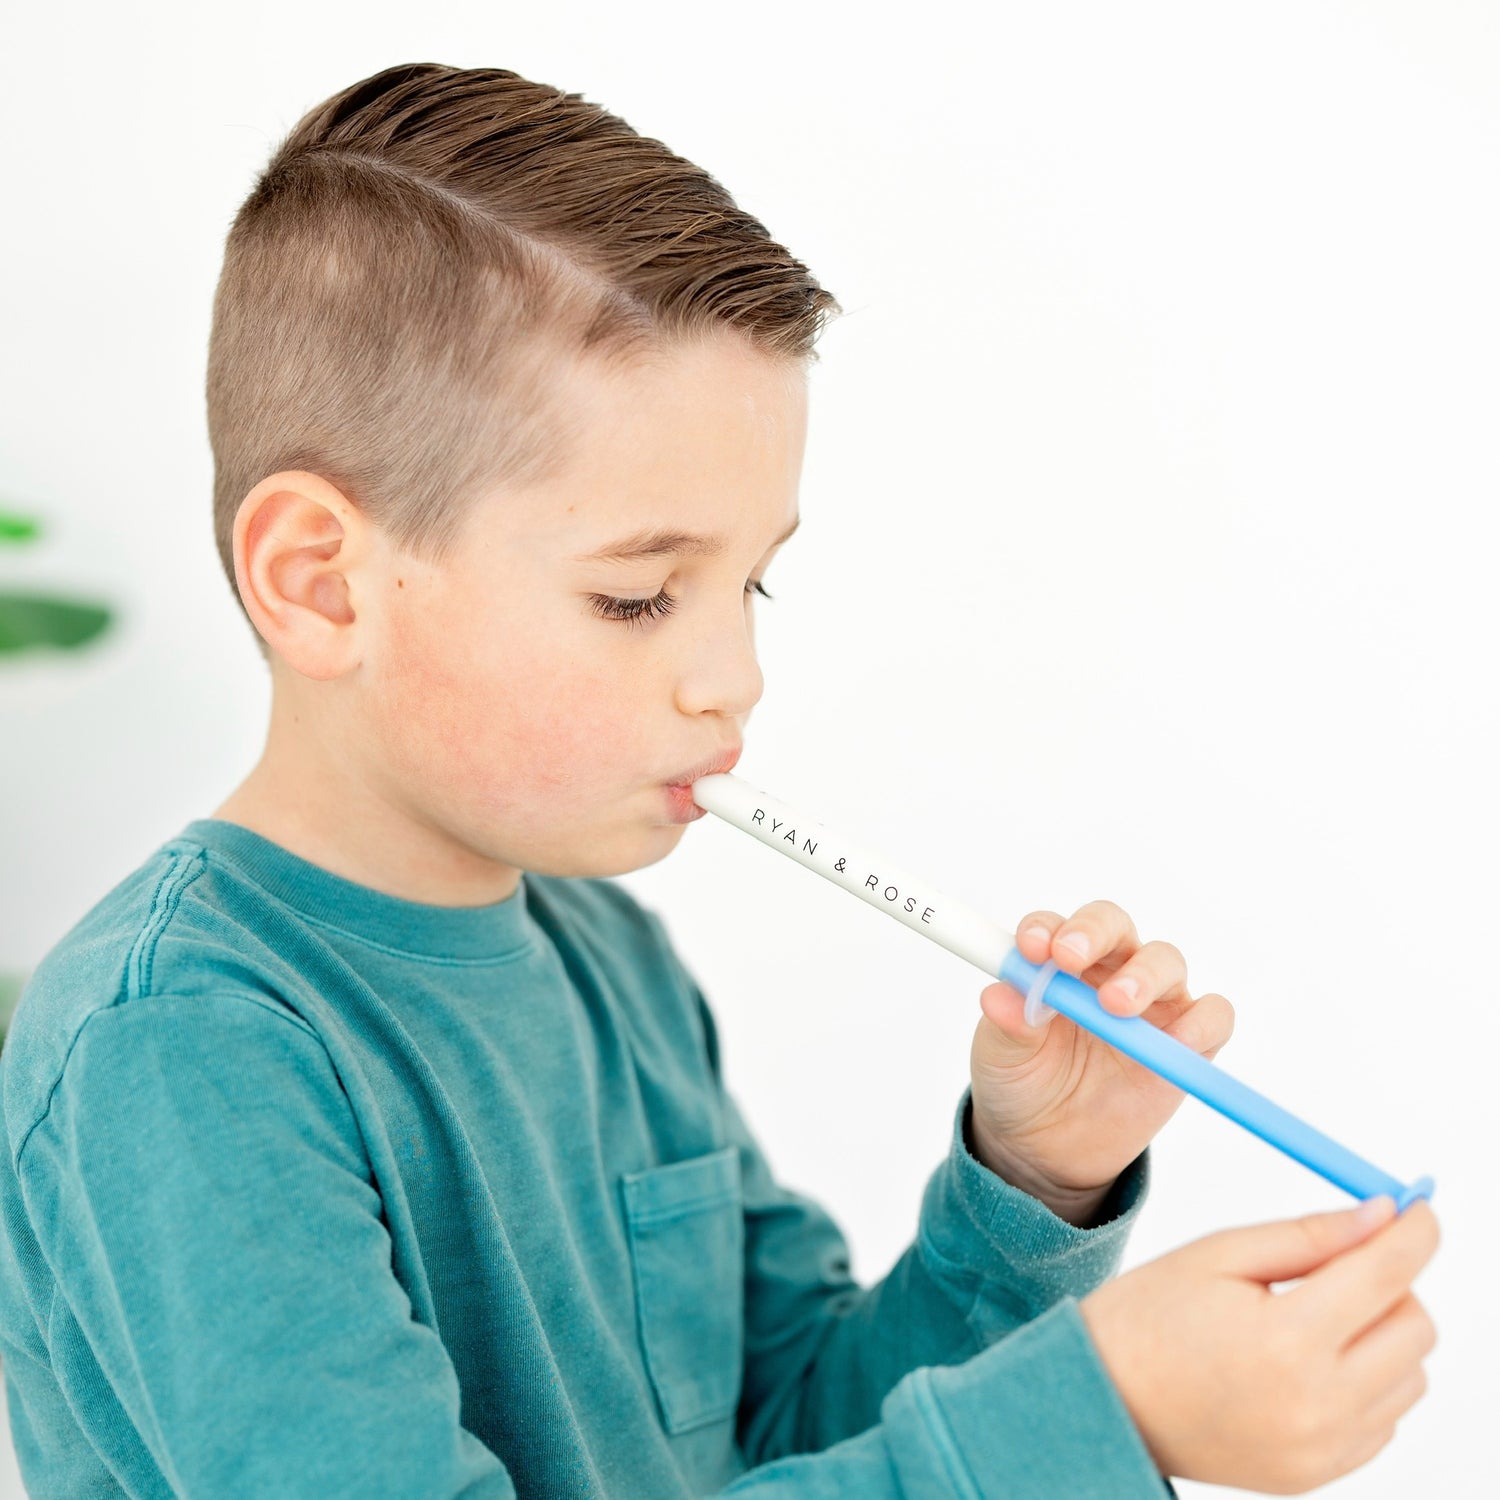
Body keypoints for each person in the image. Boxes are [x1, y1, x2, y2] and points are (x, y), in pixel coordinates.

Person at [0, 62, 1438, 1498]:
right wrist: (1097, 1421)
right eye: (640, 595)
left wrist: (1031, 1184)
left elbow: (790, 1436)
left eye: (756, 583)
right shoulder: (177, 1053)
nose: (732, 677)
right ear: (322, 583)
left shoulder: (607, 957)